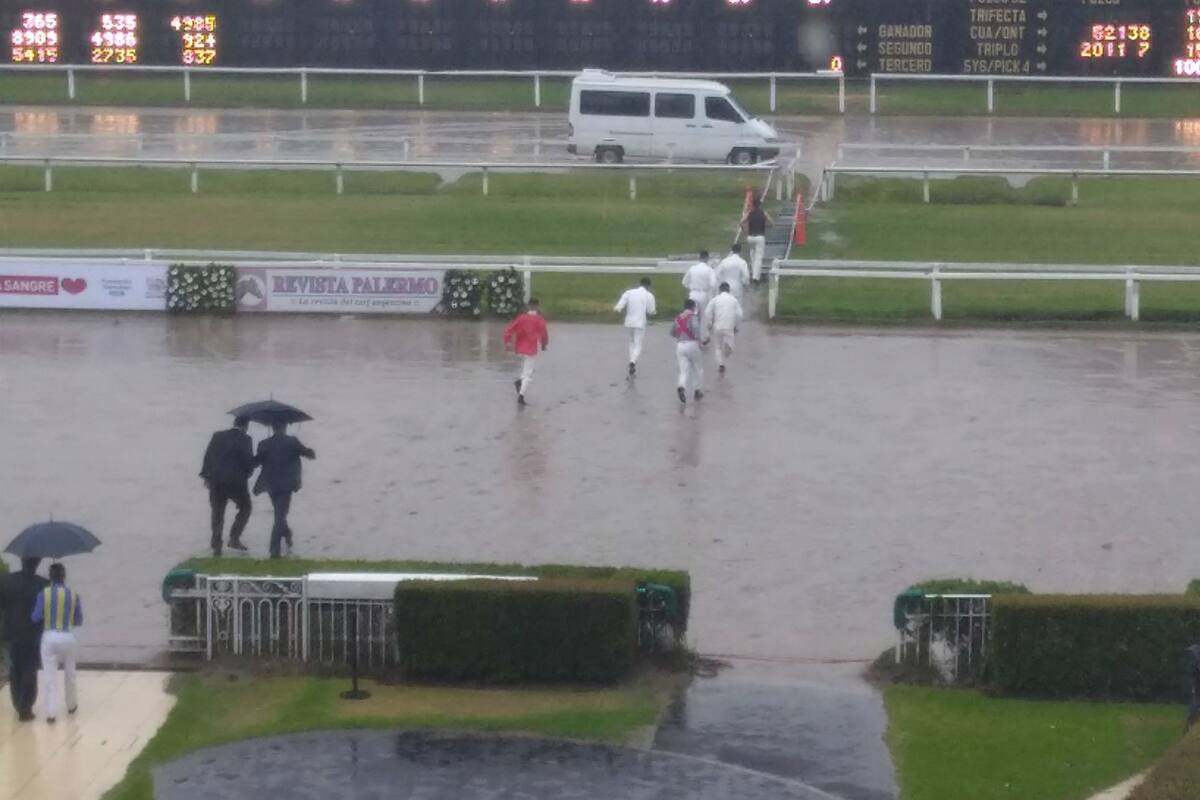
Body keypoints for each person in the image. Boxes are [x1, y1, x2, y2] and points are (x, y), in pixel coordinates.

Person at [253, 422, 316, 559]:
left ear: (273, 427)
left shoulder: (264, 443)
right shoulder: (292, 442)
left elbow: (256, 462)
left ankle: (286, 534)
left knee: (279, 513)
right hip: (286, 484)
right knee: (280, 515)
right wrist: (311, 451)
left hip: (270, 485)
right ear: (285, 427)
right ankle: (274, 550)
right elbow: (309, 455)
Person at [31, 562, 81, 724]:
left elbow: (35, 617)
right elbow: (78, 620)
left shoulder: (43, 594)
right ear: (64, 576)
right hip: (67, 636)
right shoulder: (73, 595)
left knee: (49, 675)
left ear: (50, 577)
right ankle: (71, 705)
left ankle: (51, 712)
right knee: (70, 673)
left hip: (49, 636)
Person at [200, 416, 255, 557]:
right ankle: (234, 537)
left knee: (217, 513)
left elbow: (208, 456)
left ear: (234, 423)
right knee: (246, 507)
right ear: (246, 426)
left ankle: (216, 546)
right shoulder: (246, 439)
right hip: (236, 482)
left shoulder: (218, 436)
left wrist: (206, 477)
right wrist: (249, 473)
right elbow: (248, 462)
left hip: (216, 480)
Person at [0, 558, 48, 721]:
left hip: (11, 633)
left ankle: (17, 703)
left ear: (22, 561)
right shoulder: (43, 584)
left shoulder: (5, 581)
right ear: (37, 564)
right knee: (30, 669)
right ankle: (25, 706)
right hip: (32, 634)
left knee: (15, 669)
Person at [502, 298, 550, 405]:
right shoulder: (539, 319)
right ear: (537, 307)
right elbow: (544, 334)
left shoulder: (521, 318)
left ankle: (520, 381)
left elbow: (509, 329)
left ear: (528, 306)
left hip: (520, 347)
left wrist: (508, 342)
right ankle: (521, 395)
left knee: (526, 369)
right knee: (529, 372)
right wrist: (544, 344)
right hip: (531, 348)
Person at [614, 278, 657, 376]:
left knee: (631, 342)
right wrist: (654, 314)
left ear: (640, 283)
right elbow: (651, 311)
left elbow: (619, 306)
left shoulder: (629, 292)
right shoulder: (649, 295)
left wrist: (618, 309)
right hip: (640, 323)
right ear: (648, 286)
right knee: (638, 344)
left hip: (629, 322)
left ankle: (631, 360)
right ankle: (633, 362)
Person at [704, 282, 744, 374]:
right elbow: (740, 315)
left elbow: (707, 312)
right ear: (729, 290)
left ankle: (721, 364)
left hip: (717, 326)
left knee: (717, 347)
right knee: (730, 347)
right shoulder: (734, 300)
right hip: (729, 327)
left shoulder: (715, 299)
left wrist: (709, 323)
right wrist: (736, 326)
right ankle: (728, 347)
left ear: (719, 290)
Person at [671, 298, 704, 404]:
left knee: (683, 371)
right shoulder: (693, 317)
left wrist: (680, 337)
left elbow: (672, 332)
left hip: (680, 345)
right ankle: (697, 391)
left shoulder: (677, 318)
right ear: (693, 307)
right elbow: (696, 329)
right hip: (692, 344)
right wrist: (699, 341)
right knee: (697, 368)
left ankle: (681, 386)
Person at [741, 195, 773, 284]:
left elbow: (741, 222)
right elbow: (771, 222)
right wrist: (769, 226)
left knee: (752, 255)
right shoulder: (763, 213)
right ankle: (755, 277)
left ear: (753, 205)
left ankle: (754, 274)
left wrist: (745, 231)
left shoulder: (749, 213)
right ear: (759, 205)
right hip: (760, 237)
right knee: (758, 257)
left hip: (750, 237)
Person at [681, 250, 717, 320]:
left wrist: (691, 287)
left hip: (693, 294)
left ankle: (692, 330)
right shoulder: (709, 270)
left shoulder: (692, 268)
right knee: (703, 317)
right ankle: (702, 330)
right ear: (707, 258)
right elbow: (713, 284)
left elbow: (684, 282)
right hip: (703, 294)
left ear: (699, 258)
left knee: (692, 316)